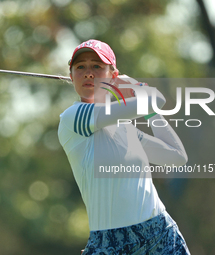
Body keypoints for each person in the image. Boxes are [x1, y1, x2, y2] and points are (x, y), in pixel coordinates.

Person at [58, 39, 190, 254]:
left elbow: (177, 156)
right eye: (80, 67)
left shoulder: (125, 128)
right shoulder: (72, 118)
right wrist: (135, 87)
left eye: (97, 66)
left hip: (160, 234)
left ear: (113, 75)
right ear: (71, 76)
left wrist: (150, 113)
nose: (89, 73)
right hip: (109, 244)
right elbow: (156, 97)